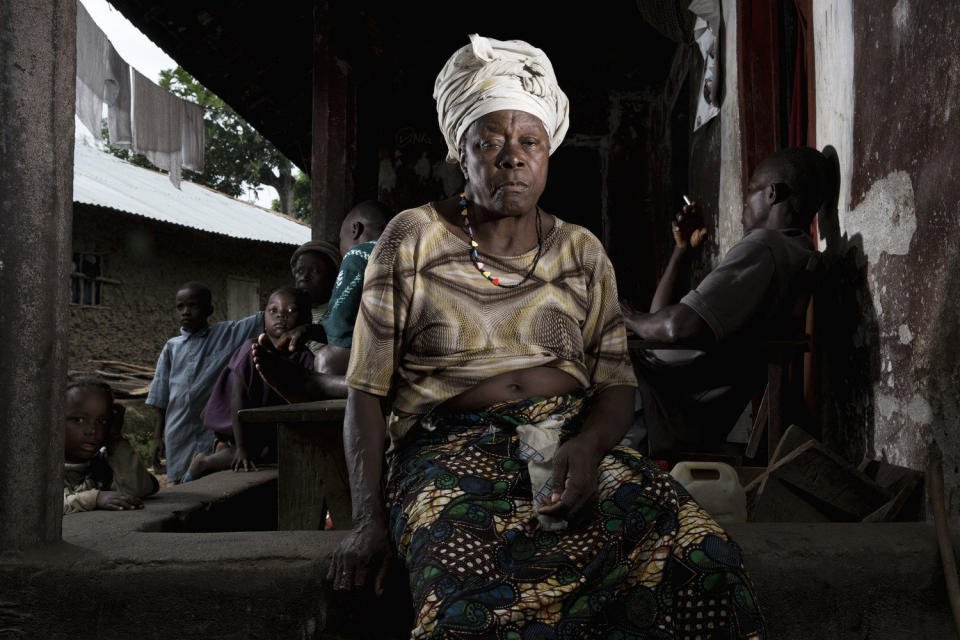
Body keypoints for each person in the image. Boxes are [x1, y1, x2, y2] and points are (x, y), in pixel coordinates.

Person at [320, 34, 765, 639]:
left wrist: (586, 448)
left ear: (548, 152)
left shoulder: (582, 252)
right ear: (461, 152)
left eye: (529, 141)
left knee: (702, 561)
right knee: (469, 613)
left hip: (566, 440)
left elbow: (614, 387)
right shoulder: (410, 239)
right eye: (490, 143)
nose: (513, 157)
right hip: (446, 452)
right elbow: (365, 393)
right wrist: (366, 520)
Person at [621, 147, 828, 460]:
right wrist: (683, 253)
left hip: (659, 405)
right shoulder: (788, 251)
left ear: (772, 194)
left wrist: (627, 317)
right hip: (659, 400)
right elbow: (661, 328)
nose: (745, 201)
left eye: (751, 190)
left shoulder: (765, 248)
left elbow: (677, 327)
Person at [252, 201, 391, 401]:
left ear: (355, 229)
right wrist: (311, 330)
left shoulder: (360, 254)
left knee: (329, 358)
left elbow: (340, 333)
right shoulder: (415, 252)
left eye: (340, 240)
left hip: (401, 367)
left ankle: (315, 385)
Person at [182, 287, 315, 481]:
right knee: (248, 454)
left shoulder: (303, 357)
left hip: (268, 421)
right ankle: (203, 463)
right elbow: (238, 398)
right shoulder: (252, 349)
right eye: (273, 311)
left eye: (290, 311)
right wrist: (242, 448)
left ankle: (228, 451)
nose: (281, 316)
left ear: (305, 318)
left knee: (268, 455)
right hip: (237, 419)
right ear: (264, 316)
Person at [146, 282, 264, 483]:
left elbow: (261, 318)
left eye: (193, 306)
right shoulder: (171, 348)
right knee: (179, 484)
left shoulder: (225, 335)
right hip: (178, 429)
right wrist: (158, 437)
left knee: (213, 481)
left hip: (211, 431)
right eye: (180, 307)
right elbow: (161, 396)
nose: (186, 312)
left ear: (209, 310)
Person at [64, 375, 158, 514]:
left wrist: (115, 438)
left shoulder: (103, 465)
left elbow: (138, 488)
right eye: (78, 420)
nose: (92, 431)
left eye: (102, 421)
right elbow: (39, 505)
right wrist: (94, 498)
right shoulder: (39, 468)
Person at [289, 239, 341, 356]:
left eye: (315, 271)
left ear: (333, 277)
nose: (304, 277)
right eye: (300, 271)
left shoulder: (339, 315)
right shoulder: (286, 313)